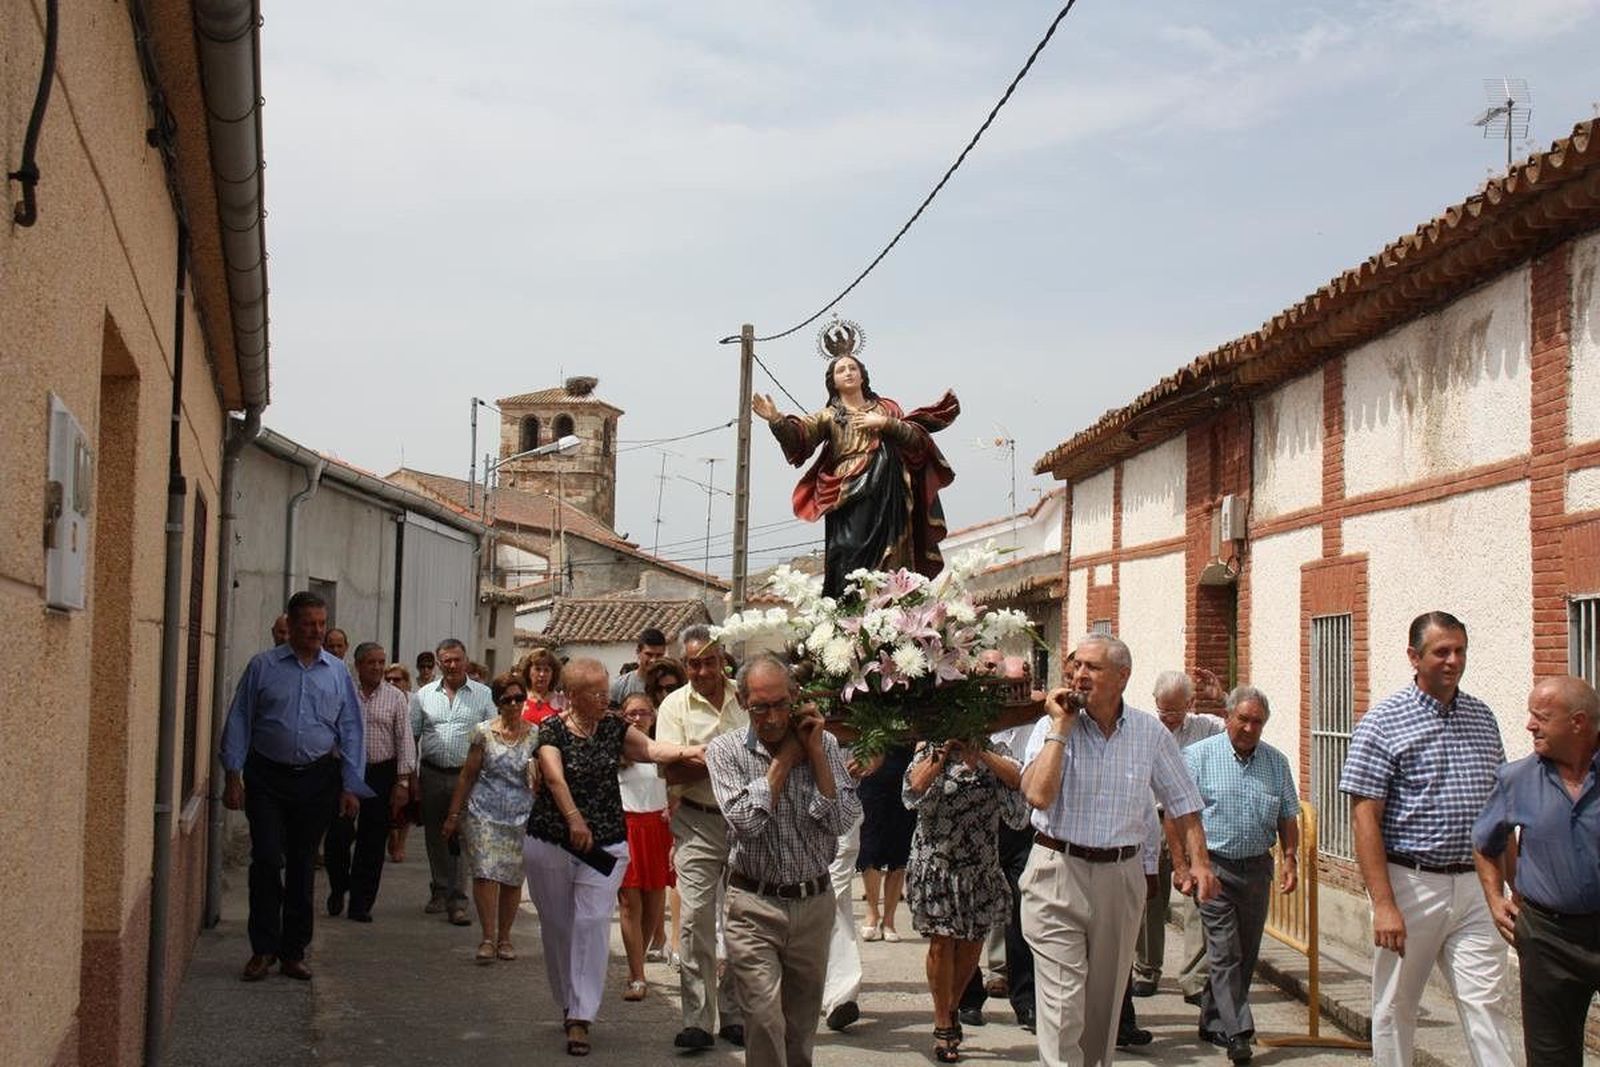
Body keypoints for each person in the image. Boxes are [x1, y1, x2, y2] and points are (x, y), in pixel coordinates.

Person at [1019, 633, 1216, 1067]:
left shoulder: (1149, 733)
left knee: (1103, 1008)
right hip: (1056, 871)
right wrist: (1060, 729)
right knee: (1062, 1004)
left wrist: (1199, 862)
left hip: (1119, 877)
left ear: (1123, 677)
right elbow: (1037, 795)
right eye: (1077, 666)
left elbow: (1183, 799)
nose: (1080, 675)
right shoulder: (1049, 726)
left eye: (1093, 667)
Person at [1339, 612, 1514, 1067]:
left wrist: (1516, 888)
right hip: (1411, 883)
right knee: (1397, 1005)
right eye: (1442, 652)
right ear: (1414, 657)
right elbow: (1364, 819)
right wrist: (1384, 903)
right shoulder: (1382, 723)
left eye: (1460, 651)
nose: (1453, 661)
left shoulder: (1482, 717)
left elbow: (1501, 812)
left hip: (1478, 885)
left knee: (1487, 1003)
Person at [523, 658, 703, 1057]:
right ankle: (568, 1001)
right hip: (553, 840)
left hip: (604, 843)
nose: (606, 699)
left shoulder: (614, 727)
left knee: (589, 922)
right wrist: (573, 819)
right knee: (557, 927)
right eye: (596, 693)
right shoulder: (551, 729)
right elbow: (553, 776)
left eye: (607, 691)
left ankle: (581, 1016)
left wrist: (691, 750)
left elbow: (653, 749)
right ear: (571, 696)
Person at [708, 653, 862, 1067]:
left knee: (800, 1026)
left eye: (780, 704)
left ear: (795, 697)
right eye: (760, 707)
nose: (773, 717)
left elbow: (842, 819)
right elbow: (744, 822)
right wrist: (784, 762)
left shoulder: (824, 743)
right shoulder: (724, 752)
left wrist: (812, 754)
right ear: (743, 703)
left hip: (813, 903)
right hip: (753, 907)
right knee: (762, 1017)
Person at [221, 591, 370, 981]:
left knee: (304, 864)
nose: (317, 631)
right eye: (309, 624)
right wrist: (232, 773)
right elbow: (239, 719)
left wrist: (350, 785)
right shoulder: (263, 667)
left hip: (317, 779)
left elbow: (352, 729)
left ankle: (293, 952)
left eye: (322, 624)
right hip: (267, 777)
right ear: (291, 624)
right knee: (268, 858)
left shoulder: (337, 672)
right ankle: (263, 949)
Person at [752, 331, 960, 598]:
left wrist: (885, 424)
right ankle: (849, 607)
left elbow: (918, 441)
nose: (848, 372)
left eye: (853, 368)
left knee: (893, 556)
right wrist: (777, 420)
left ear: (863, 375)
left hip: (889, 491)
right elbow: (800, 439)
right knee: (846, 550)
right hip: (847, 493)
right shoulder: (829, 416)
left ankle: (893, 609)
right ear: (833, 382)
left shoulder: (886, 409)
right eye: (841, 370)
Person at [1474, 675, 1600, 1066]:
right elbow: (1485, 842)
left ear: (1578, 723)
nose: (1530, 725)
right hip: (1547, 938)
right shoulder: (1517, 779)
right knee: (1550, 1057)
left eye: (1541, 717)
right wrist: (1495, 899)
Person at [1175, 686, 1299, 1065]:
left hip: (1257, 868)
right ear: (1227, 718)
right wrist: (1183, 867)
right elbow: (1175, 816)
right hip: (1213, 867)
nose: (1249, 727)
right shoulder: (1197, 757)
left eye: (1257, 721)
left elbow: (1287, 814)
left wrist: (1289, 858)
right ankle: (1238, 1032)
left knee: (1244, 953)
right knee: (1225, 950)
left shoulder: (1276, 763)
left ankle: (1213, 1018)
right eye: (1242, 719)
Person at [904, 736, 1028, 1062]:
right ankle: (942, 1021)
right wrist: (943, 752)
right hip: (938, 864)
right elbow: (915, 787)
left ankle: (952, 1006)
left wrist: (982, 751)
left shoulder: (996, 751)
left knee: (972, 946)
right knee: (942, 943)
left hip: (980, 867)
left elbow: (1017, 781)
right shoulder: (929, 748)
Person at [655, 624, 750, 1050]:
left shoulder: (745, 697)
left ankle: (734, 1014)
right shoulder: (674, 706)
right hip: (697, 819)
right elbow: (672, 770)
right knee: (693, 920)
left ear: (722, 660)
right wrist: (732, 759)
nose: (701, 670)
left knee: (742, 921)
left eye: (708, 662)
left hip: (747, 822)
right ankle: (696, 1018)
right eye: (693, 663)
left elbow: (765, 756)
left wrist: (708, 757)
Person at [1135, 668, 1225, 1002]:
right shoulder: (1145, 728)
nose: (1169, 719)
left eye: (1176, 711)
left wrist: (1224, 700)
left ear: (1190, 703)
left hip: (1191, 821)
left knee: (1198, 898)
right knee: (1149, 897)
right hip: (1153, 818)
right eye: (1163, 710)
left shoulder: (1205, 726)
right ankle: (1145, 969)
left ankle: (1195, 979)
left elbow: (1241, 726)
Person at [443, 671, 539, 964]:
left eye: (518, 698)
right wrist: (453, 814)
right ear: (497, 702)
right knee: (485, 873)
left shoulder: (536, 734)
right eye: (507, 699)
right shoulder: (483, 732)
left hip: (521, 816)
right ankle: (487, 937)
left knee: (511, 878)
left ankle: (505, 938)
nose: (513, 704)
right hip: (483, 813)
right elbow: (467, 775)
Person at [325, 642, 415, 923]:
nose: (377, 668)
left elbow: (404, 739)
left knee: (372, 840)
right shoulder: (343, 692)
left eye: (381, 662)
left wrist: (402, 781)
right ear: (358, 665)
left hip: (380, 772)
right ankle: (340, 886)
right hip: (345, 771)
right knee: (339, 835)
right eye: (371, 662)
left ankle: (361, 903)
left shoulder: (396, 698)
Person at [409, 638, 495, 925]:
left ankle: (458, 900)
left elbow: (492, 739)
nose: (453, 665)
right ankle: (439, 889)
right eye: (446, 660)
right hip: (432, 773)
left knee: (461, 836)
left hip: (467, 777)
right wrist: (410, 778)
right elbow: (413, 736)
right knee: (435, 836)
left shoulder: (484, 696)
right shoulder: (422, 696)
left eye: (457, 659)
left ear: (466, 660)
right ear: (438, 662)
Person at [616, 691, 674, 1001]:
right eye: (631, 714)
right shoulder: (616, 753)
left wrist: (673, 810)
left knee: (654, 904)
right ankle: (636, 975)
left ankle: (640, 964)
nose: (638, 718)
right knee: (629, 903)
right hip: (626, 827)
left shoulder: (662, 750)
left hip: (658, 829)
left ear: (653, 716)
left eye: (643, 712)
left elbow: (677, 787)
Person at [857, 743, 916, 942]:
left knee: (900, 851)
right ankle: (872, 912)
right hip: (874, 774)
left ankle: (889, 920)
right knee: (870, 848)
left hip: (907, 771)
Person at [382, 662, 415, 863]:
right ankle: (390, 834)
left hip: (409, 759)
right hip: (386, 758)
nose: (393, 683)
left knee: (406, 806)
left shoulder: (414, 701)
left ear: (406, 682)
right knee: (387, 803)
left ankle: (401, 843)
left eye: (397, 679)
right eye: (389, 679)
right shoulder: (382, 699)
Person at [611, 627, 668, 706]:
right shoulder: (620, 686)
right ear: (638, 652)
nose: (653, 660)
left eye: (659, 655)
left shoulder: (670, 685)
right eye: (649, 654)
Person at [519, 646, 563, 724]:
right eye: (537, 669)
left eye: (546, 670)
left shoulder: (561, 702)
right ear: (528, 672)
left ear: (553, 674)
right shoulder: (519, 699)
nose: (542, 674)